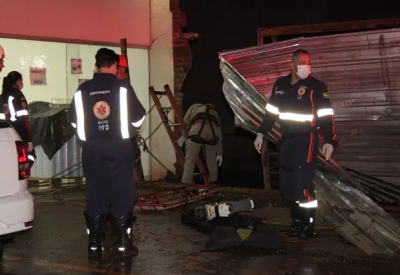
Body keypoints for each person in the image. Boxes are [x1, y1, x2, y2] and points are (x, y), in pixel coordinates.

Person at [254, 49, 337, 242]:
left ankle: (308, 226)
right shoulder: (280, 85)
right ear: (292, 65)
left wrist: (330, 141)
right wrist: (261, 133)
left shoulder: (316, 86)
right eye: (302, 62)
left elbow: (326, 116)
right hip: (286, 141)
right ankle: (296, 224)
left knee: (302, 186)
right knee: (288, 186)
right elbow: (271, 114)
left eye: (308, 62)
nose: (306, 66)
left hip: (306, 140)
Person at [69, 48, 146, 259]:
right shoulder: (123, 88)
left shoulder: (82, 90)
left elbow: (74, 122)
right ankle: (123, 244)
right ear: (114, 66)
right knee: (122, 192)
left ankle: (94, 246)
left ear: (96, 65)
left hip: (92, 150)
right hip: (119, 149)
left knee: (95, 193)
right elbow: (139, 119)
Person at [178, 103, 223, 184]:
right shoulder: (215, 113)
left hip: (197, 130)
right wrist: (219, 153)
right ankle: (213, 181)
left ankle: (186, 182)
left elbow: (184, 121)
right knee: (212, 159)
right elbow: (219, 134)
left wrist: (183, 136)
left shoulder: (194, 107)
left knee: (190, 158)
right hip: (212, 132)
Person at [1, 71, 36, 166]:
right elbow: (23, 119)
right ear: (17, 82)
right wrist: (28, 139)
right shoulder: (18, 96)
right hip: (19, 134)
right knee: (29, 157)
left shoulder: (3, 96)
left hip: (6, 134)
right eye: (21, 80)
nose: (22, 83)